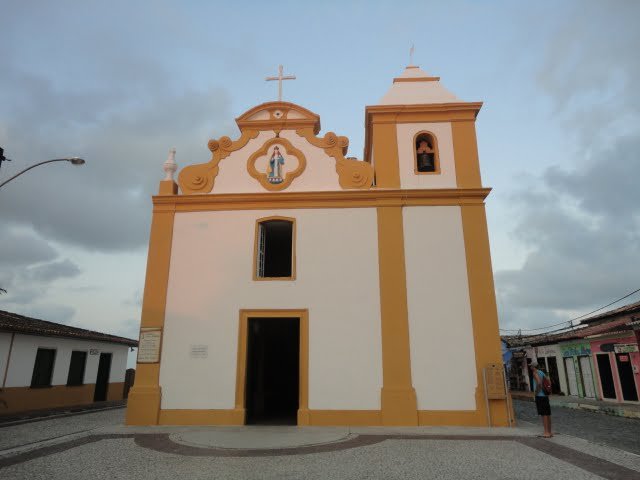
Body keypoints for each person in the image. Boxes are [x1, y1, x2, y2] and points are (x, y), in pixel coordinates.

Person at [530, 361, 553, 438]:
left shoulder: (535, 373)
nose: (530, 368)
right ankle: (549, 432)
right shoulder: (541, 372)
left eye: (531, 366)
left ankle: (546, 432)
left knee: (543, 414)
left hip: (540, 396)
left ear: (533, 367)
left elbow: (539, 383)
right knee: (547, 413)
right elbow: (549, 381)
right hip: (545, 396)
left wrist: (536, 392)